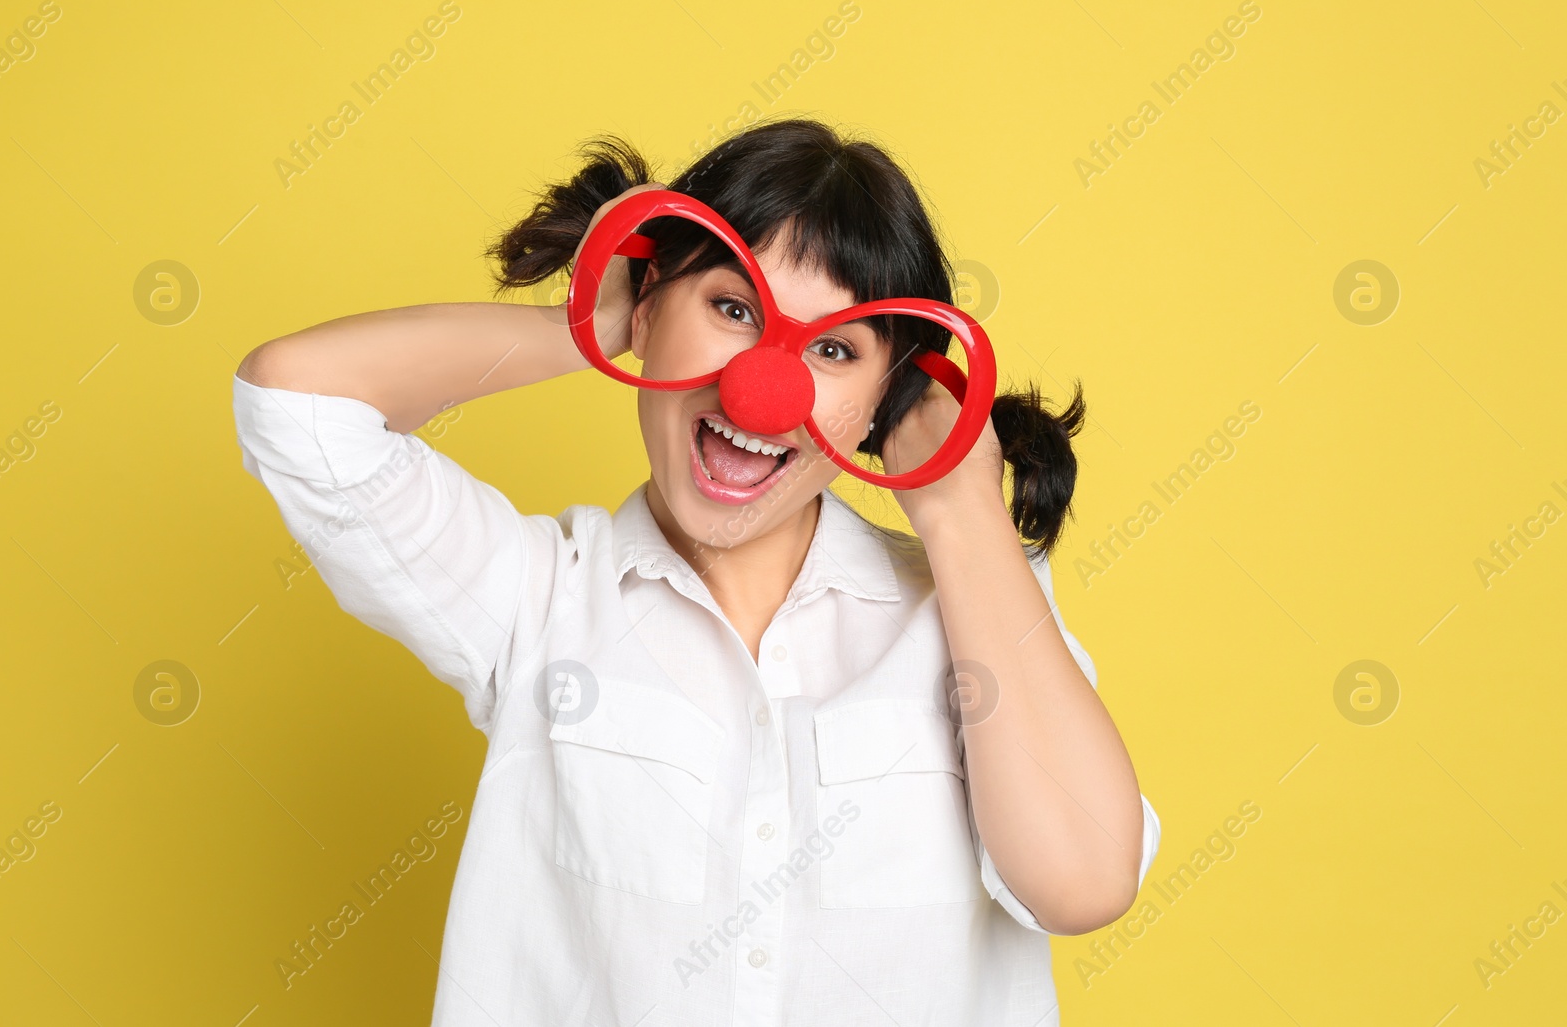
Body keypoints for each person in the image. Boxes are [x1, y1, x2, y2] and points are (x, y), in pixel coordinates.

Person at [232, 116, 1160, 1025]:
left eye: (836, 350)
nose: (765, 384)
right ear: (650, 308)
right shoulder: (539, 599)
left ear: (887, 400)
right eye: (732, 307)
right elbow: (297, 404)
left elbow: (1080, 881)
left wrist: (963, 509)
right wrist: (586, 324)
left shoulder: (972, 606)